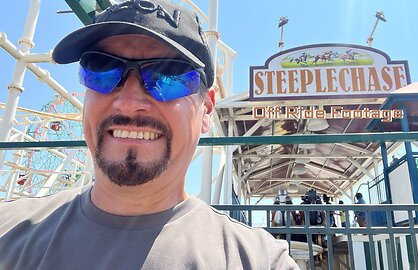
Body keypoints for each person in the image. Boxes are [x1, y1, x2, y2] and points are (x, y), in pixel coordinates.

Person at [0, 1, 299, 269]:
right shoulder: (6, 231)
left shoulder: (258, 260)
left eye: (168, 76)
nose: (128, 102)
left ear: (206, 109)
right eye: (103, 69)